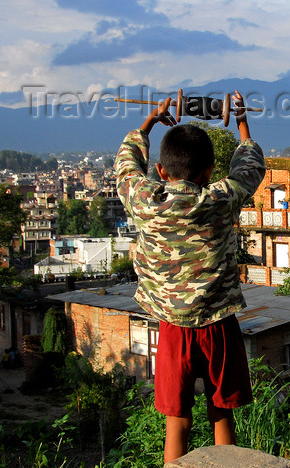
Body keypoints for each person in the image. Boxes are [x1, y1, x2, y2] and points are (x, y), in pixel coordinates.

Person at [114, 91, 265, 463]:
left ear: (162, 171)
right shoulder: (220, 198)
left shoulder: (145, 199)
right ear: (210, 172)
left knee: (177, 419)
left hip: (171, 327)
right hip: (218, 324)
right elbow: (250, 168)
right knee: (221, 411)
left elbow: (126, 165)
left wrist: (150, 121)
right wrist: (241, 121)